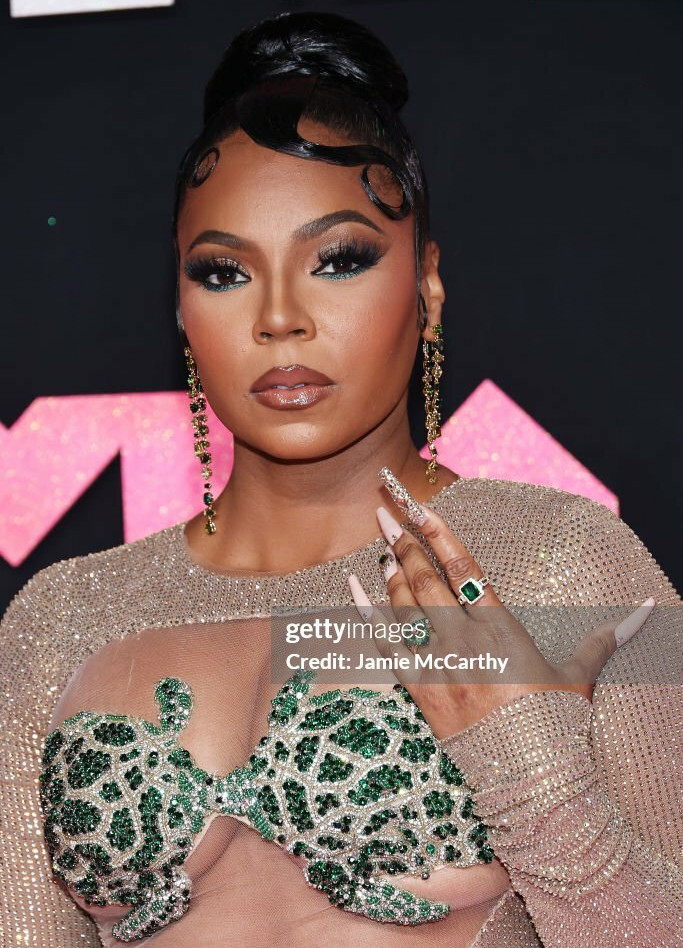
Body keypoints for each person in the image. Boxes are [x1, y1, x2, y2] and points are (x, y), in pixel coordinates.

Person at [0, 10, 681, 948]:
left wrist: (541, 792)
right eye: (224, 272)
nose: (279, 317)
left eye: (339, 259)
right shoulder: (62, 617)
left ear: (427, 285)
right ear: (181, 309)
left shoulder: (563, 564)